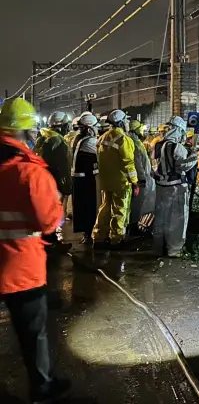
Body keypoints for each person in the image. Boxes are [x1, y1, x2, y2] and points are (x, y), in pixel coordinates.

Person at [0, 98, 71, 403]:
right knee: (33, 334)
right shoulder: (30, 172)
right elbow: (48, 221)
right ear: (28, 132)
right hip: (21, 269)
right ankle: (41, 387)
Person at [152, 116, 198, 257]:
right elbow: (182, 166)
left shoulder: (157, 145)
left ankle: (158, 247)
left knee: (161, 218)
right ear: (179, 131)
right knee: (177, 219)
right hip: (176, 188)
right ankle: (175, 250)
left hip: (160, 187)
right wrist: (195, 155)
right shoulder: (176, 147)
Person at [93, 109, 138, 249]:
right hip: (121, 182)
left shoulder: (102, 137)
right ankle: (116, 239)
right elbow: (128, 163)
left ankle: (99, 237)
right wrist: (135, 182)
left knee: (105, 208)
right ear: (120, 122)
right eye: (126, 120)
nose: (127, 123)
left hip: (105, 181)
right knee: (120, 209)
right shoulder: (124, 139)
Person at [34, 111, 73, 240]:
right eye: (66, 125)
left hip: (44, 181)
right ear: (60, 126)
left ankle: (49, 239)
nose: (68, 128)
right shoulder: (56, 140)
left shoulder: (44, 138)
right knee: (51, 212)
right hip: (53, 181)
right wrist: (64, 183)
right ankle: (50, 241)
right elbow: (59, 165)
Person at [70, 113, 101, 244]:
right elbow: (101, 155)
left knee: (81, 208)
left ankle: (86, 233)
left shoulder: (77, 138)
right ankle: (89, 234)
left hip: (78, 179)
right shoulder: (90, 142)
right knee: (89, 207)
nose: (97, 130)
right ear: (90, 128)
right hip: (86, 180)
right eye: (95, 127)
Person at [128, 120, 156, 234]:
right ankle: (133, 229)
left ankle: (135, 226)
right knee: (136, 205)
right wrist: (142, 178)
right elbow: (137, 163)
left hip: (144, 177)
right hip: (141, 179)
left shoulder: (137, 142)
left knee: (141, 204)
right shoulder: (134, 143)